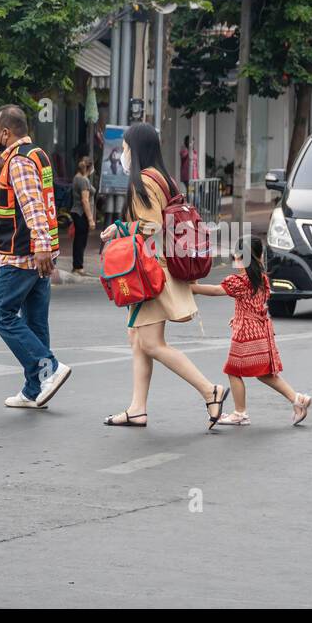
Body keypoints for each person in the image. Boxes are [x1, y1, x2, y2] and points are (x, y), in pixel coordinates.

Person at [99, 122, 229, 429]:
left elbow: (151, 228)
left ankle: (209, 389)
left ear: (136, 150)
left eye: (127, 148)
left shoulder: (143, 181)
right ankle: (137, 408)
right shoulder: (166, 179)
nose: (124, 154)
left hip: (150, 272)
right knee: (139, 340)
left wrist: (118, 228)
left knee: (152, 343)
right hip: (162, 268)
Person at [0, 105, 72, 409]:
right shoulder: (38, 154)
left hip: (22, 253)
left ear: (6, 132)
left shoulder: (19, 161)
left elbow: (32, 205)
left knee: (0, 314)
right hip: (37, 252)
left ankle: (48, 367)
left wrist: (40, 246)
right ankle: (35, 389)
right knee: (35, 320)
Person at [191, 236, 312, 426]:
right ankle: (298, 399)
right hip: (261, 330)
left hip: (246, 334)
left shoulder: (239, 281)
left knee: (233, 370)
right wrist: (238, 315)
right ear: (260, 255)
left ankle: (240, 413)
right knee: (264, 373)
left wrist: (193, 288)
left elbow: (216, 290)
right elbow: (253, 304)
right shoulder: (261, 278)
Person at [70, 155, 96, 275]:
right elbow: (85, 201)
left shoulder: (77, 177)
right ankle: (78, 266)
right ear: (89, 167)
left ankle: (77, 266)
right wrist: (90, 219)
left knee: (78, 241)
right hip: (81, 213)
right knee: (81, 241)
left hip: (76, 212)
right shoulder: (83, 180)